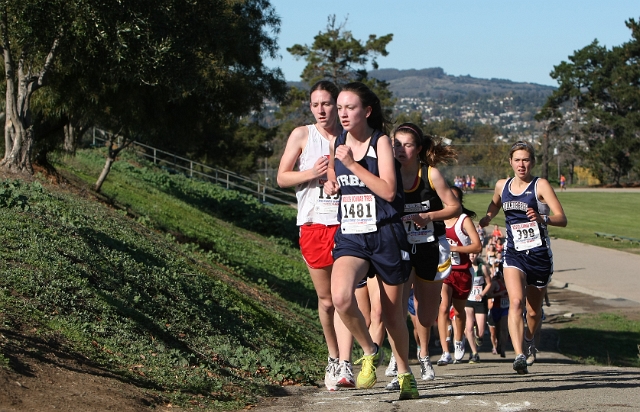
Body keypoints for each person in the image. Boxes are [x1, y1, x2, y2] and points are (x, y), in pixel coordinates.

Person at [323, 82, 419, 400]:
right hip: (352, 233)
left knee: (392, 315)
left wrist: (352, 165)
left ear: (366, 111)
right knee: (340, 297)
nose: (343, 113)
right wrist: (332, 185)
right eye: (339, 108)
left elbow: (390, 191)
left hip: (386, 233)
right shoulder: (338, 141)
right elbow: (333, 178)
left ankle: (405, 373)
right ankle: (369, 350)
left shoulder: (380, 143)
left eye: (349, 108)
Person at [276, 80, 353, 391]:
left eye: (327, 104)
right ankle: (333, 357)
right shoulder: (302, 135)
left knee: (343, 297)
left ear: (337, 105)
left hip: (347, 226)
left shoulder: (351, 138)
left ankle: (346, 363)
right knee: (326, 300)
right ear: (311, 107)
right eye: (315, 104)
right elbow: (282, 177)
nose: (322, 110)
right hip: (313, 224)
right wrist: (314, 173)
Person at [479, 140, 567, 374]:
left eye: (525, 160)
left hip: (539, 254)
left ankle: (529, 340)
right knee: (515, 302)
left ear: (532, 162)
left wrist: (542, 218)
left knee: (533, 311)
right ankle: (519, 354)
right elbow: (495, 204)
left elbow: (562, 218)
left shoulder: (541, 185)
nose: (521, 164)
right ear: (510, 162)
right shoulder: (502, 185)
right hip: (514, 253)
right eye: (517, 160)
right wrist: (488, 217)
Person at [386, 122, 460, 386]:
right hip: (399, 247)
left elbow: (454, 207)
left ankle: (422, 350)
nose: (401, 150)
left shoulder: (431, 175)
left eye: (407, 145)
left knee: (426, 316)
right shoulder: (387, 174)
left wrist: (427, 216)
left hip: (430, 246)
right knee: (395, 308)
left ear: (418, 149)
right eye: (397, 144)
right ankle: (400, 362)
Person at [436, 186, 482, 365]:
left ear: (459, 202)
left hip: (462, 271)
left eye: (454, 198)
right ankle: (445, 351)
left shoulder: (464, 220)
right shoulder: (437, 218)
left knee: (459, 311)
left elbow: (477, 247)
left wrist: (454, 248)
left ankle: (458, 340)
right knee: (443, 308)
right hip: (443, 271)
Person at [464, 252, 492, 363]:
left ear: (477, 255)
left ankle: (478, 338)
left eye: (474, 254)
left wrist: (482, 294)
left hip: (480, 301)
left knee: (480, 332)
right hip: (468, 300)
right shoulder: (465, 268)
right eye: (470, 254)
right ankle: (474, 353)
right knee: (469, 328)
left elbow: (489, 283)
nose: (471, 256)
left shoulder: (483, 268)